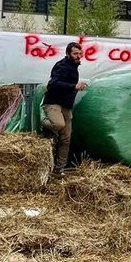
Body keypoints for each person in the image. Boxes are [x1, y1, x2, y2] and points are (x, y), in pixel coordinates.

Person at [42, 42, 88, 172]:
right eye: (75, 54)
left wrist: (77, 88)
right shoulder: (61, 66)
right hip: (53, 103)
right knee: (58, 125)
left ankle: (59, 170)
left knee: (66, 139)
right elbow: (52, 85)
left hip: (66, 106)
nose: (78, 56)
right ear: (68, 54)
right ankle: (44, 122)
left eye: (80, 53)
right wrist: (73, 87)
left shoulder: (74, 67)